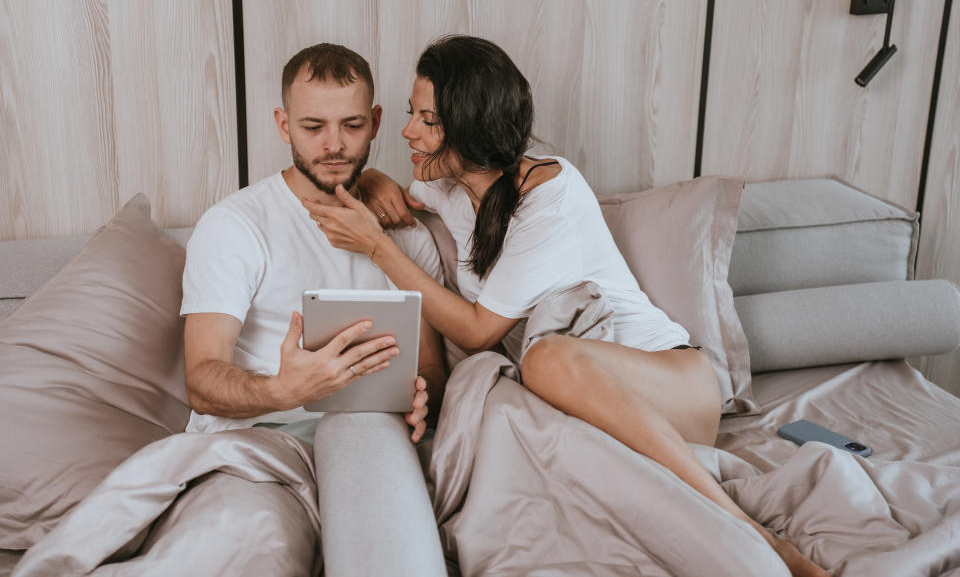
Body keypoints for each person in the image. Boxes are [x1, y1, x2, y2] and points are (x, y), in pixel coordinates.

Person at [302, 35, 830, 577]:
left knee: (545, 360)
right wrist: (368, 176)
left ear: (472, 125)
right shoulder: (452, 189)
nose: (408, 131)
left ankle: (752, 534)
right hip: (590, 394)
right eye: (412, 114)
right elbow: (410, 197)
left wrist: (376, 247)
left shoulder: (551, 195)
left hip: (675, 383)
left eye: (428, 121)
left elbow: (480, 331)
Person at [181, 43, 447, 576]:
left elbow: (432, 367)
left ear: (374, 123)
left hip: (367, 432)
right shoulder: (236, 225)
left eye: (351, 125)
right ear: (283, 125)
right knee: (258, 549)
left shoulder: (403, 233)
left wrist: (420, 396)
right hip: (259, 439)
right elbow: (202, 380)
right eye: (312, 127)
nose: (333, 146)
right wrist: (284, 391)